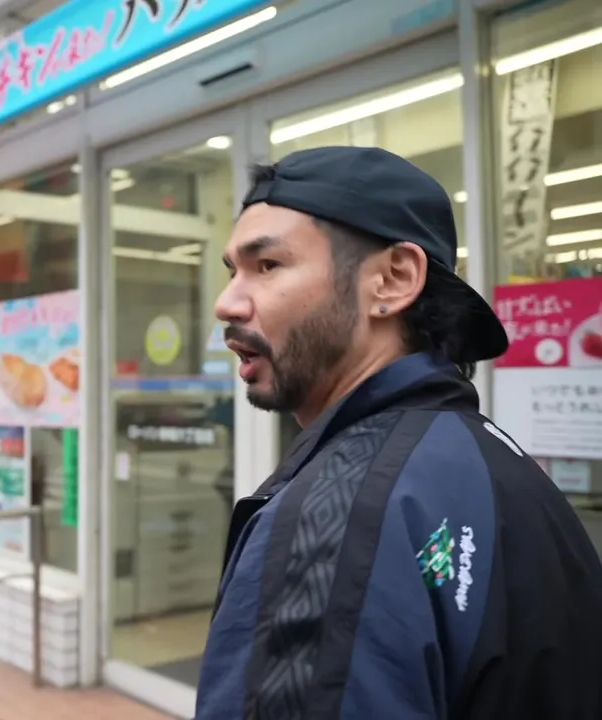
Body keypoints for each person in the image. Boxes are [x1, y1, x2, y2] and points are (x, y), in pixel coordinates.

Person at [196, 146, 602, 719]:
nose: (227, 303)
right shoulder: (494, 458)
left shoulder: (334, 522)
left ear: (393, 280)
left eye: (267, 265)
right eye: (231, 271)